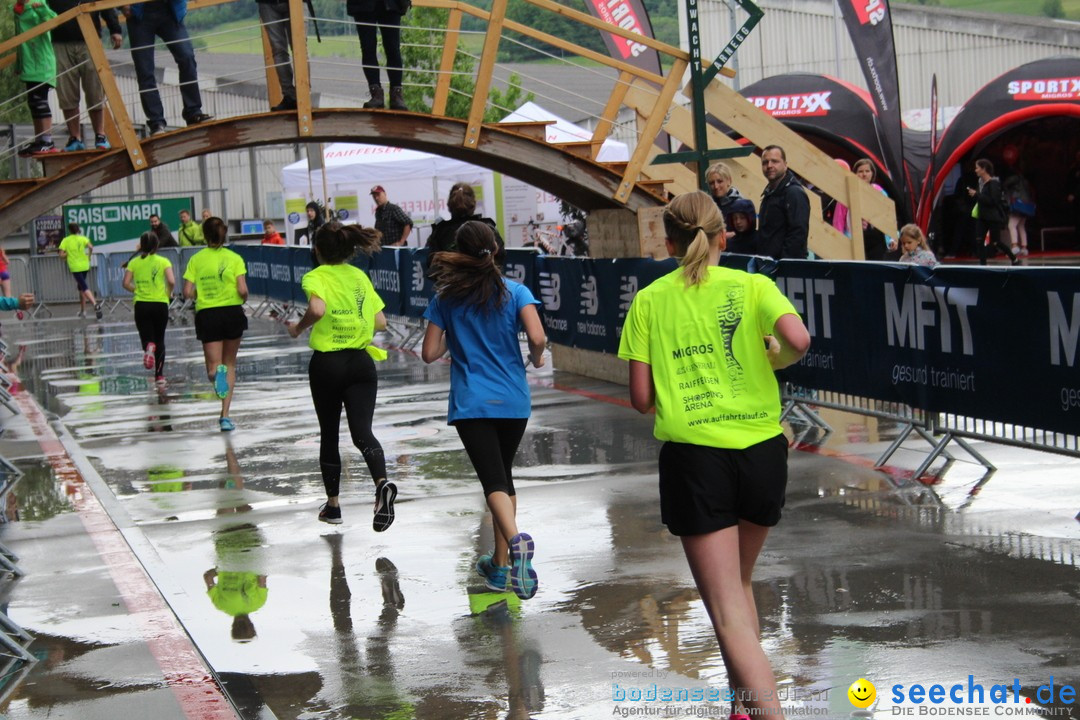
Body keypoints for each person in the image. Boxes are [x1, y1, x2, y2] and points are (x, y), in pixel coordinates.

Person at [617, 190, 810, 720]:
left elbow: (640, 399)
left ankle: (769, 713)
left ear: (669, 241)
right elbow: (799, 337)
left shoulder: (651, 300)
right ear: (725, 235)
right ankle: (741, 703)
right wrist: (776, 359)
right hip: (763, 453)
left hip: (697, 459)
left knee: (725, 609)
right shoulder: (754, 286)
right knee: (739, 586)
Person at [421, 220, 546, 601]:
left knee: (492, 482)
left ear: (460, 252)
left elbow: (429, 353)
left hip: (472, 402)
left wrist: (452, 340)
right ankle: (499, 566)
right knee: (503, 479)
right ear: (495, 248)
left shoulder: (445, 299)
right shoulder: (516, 291)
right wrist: (537, 358)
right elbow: (538, 337)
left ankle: (515, 541)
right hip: (513, 400)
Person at [286, 222, 398, 530]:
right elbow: (381, 322)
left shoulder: (316, 276)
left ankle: (333, 506)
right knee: (363, 431)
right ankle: (381, 484)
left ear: (318, 250)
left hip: (328, 365)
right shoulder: (359, 276)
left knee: (330, 433)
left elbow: (318, 309)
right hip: (361, 363)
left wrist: (298, 327)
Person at [183, 216, 248, 431]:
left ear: (203, 234)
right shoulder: (235, 258)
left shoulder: (196, 259)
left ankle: (214, 375)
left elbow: (186, 291)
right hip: (232, 312)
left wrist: (198, 295)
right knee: (230, 364)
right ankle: (225, 416)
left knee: (214, 367)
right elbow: (242, 289)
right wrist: (243, 299)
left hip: (208, 314)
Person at [122, 0, 212, 136]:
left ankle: (193, 111)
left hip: (170, 9)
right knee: (144, 69)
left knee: (187, 57)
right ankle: (156, 121)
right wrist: (121, 5)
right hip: (139, 13)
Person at [48, 0, 123, 151]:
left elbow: (104, 4)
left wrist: (115, 29)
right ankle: (75, 138)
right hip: (59, 41)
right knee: (66, 91)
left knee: (95, 88)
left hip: (89, 38)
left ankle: (100, 136)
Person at [122, 231, 175, 382]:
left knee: (147, 337)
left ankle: (148, 346)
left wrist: (136, 290)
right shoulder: (163, 261)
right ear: (157, 245)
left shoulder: (134, 262)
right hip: (160, 304)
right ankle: (159, 375)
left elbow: (125, 283)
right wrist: (168, 293)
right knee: (160, 339)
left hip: (142, 304)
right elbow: (171, 281)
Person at [425, 182, 504, 270]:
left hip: (450, 282)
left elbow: (431, 262)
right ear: (473, 203)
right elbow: (501, 256)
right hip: (486, 281)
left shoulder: (439, 232)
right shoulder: (488, 228)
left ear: (449, 205)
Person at [14, 0, 59, 156]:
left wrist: (42, 9)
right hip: (28, 63)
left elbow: (53, 21)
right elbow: (19, 41)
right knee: (33, 102)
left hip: (41, 62)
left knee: (40, 101)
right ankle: (40, 140)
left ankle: (47, 141)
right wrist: (19, 64)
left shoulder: (37, 3)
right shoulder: (18, 9)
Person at [347, 0, 409, 111]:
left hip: (391, 4)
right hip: (365, 6)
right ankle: (377, 94)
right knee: (368, 48)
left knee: (392, 48)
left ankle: (396, 94)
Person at [757, 145, 809, 260]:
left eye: (775, 161)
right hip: (768, 265)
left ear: (785, 165)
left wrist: (785, 265)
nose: (769, 165)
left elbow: (798, 234)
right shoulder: (769, 193)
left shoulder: (794, 193)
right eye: (765, 162)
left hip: (786, 267)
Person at [967, 158, 1018, 266]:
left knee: (996, 242)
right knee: (979, 240)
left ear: (984, 169)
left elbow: (993, 201)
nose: (975, 170)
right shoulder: (980, 184)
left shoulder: (994, 184)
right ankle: (983, 264)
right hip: (982, 216)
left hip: (993, 217)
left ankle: (1013, 258)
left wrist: (977, 195)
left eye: (977, 168)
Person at [851, 159, 897, 261]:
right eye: (860, 171)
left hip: (876, 237)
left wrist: (893, 237)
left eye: (867, 171)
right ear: (855, 173)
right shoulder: (849, 189)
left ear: (872, 173)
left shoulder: (880, 192)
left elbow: (888, 216)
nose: (864, 174)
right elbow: (839, 218)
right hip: (855, 235)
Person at [256, 0, 297, 111]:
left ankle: (303, 94)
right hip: (267, 4)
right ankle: (290, 96)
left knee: (299, 48)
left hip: (295, 2)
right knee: (279, 50)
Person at [58, 222, 102, 319]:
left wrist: (67, 254)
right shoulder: (83, 238)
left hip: (75, 267)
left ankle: (95, 304)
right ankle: (83, 311)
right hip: (85, 265)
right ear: (78, 229)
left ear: (69, 230)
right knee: (81, 288)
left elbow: (61, 255)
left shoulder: (66, 240)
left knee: (83, 286)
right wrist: (89, 256)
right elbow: (91, 247)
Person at [1003, 171, 1033, 257]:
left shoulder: (1013, 180)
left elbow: (1005, 185)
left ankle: (1014, 246)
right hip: (1026, 205)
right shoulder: (1025, 181)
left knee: (1011, 225)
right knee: (1021, 226)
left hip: (1018, 205)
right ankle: (1024, 248)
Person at [705, 162, 744, 230]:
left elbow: (745, 233)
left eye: (720, 181)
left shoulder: (740, 204)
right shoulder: (707, 205)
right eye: (711, 183)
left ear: (729, 181)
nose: (716, 186)